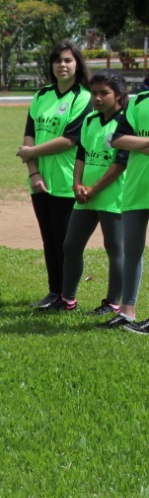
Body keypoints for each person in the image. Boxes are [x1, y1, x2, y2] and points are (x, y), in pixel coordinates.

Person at [17, 40, 93, 309]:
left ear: (77, 64)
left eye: (68, 60)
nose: (63, 65)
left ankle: (67, 296)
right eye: (58, 60)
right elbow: (29, 132)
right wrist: (34, 171)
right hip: (40, 180)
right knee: (49, 239)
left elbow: (70, 139)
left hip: (66, 181)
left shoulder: (83, 97)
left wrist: (31, 151)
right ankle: (54, 292)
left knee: (66, 243)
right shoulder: (41, 95)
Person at [53, 72, 128, 313]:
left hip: (112, 197)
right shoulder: (90, 120)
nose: (97, 98)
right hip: (85, 195)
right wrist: (76, 184)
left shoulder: (126, 123)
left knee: (115, 248)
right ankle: (67, 299)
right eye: (94, 93)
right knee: (71, 245)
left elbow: (119, 165)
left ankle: (113, 302)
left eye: (104, 93)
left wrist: (94, 189)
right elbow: (82, 154)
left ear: (119, 95)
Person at [111, 73, 149, 332]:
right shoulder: (138, 102)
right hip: (136, 189)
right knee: (132, 251)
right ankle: (127, 312)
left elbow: (130, 141)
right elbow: (118, 138)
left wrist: (139, 144)